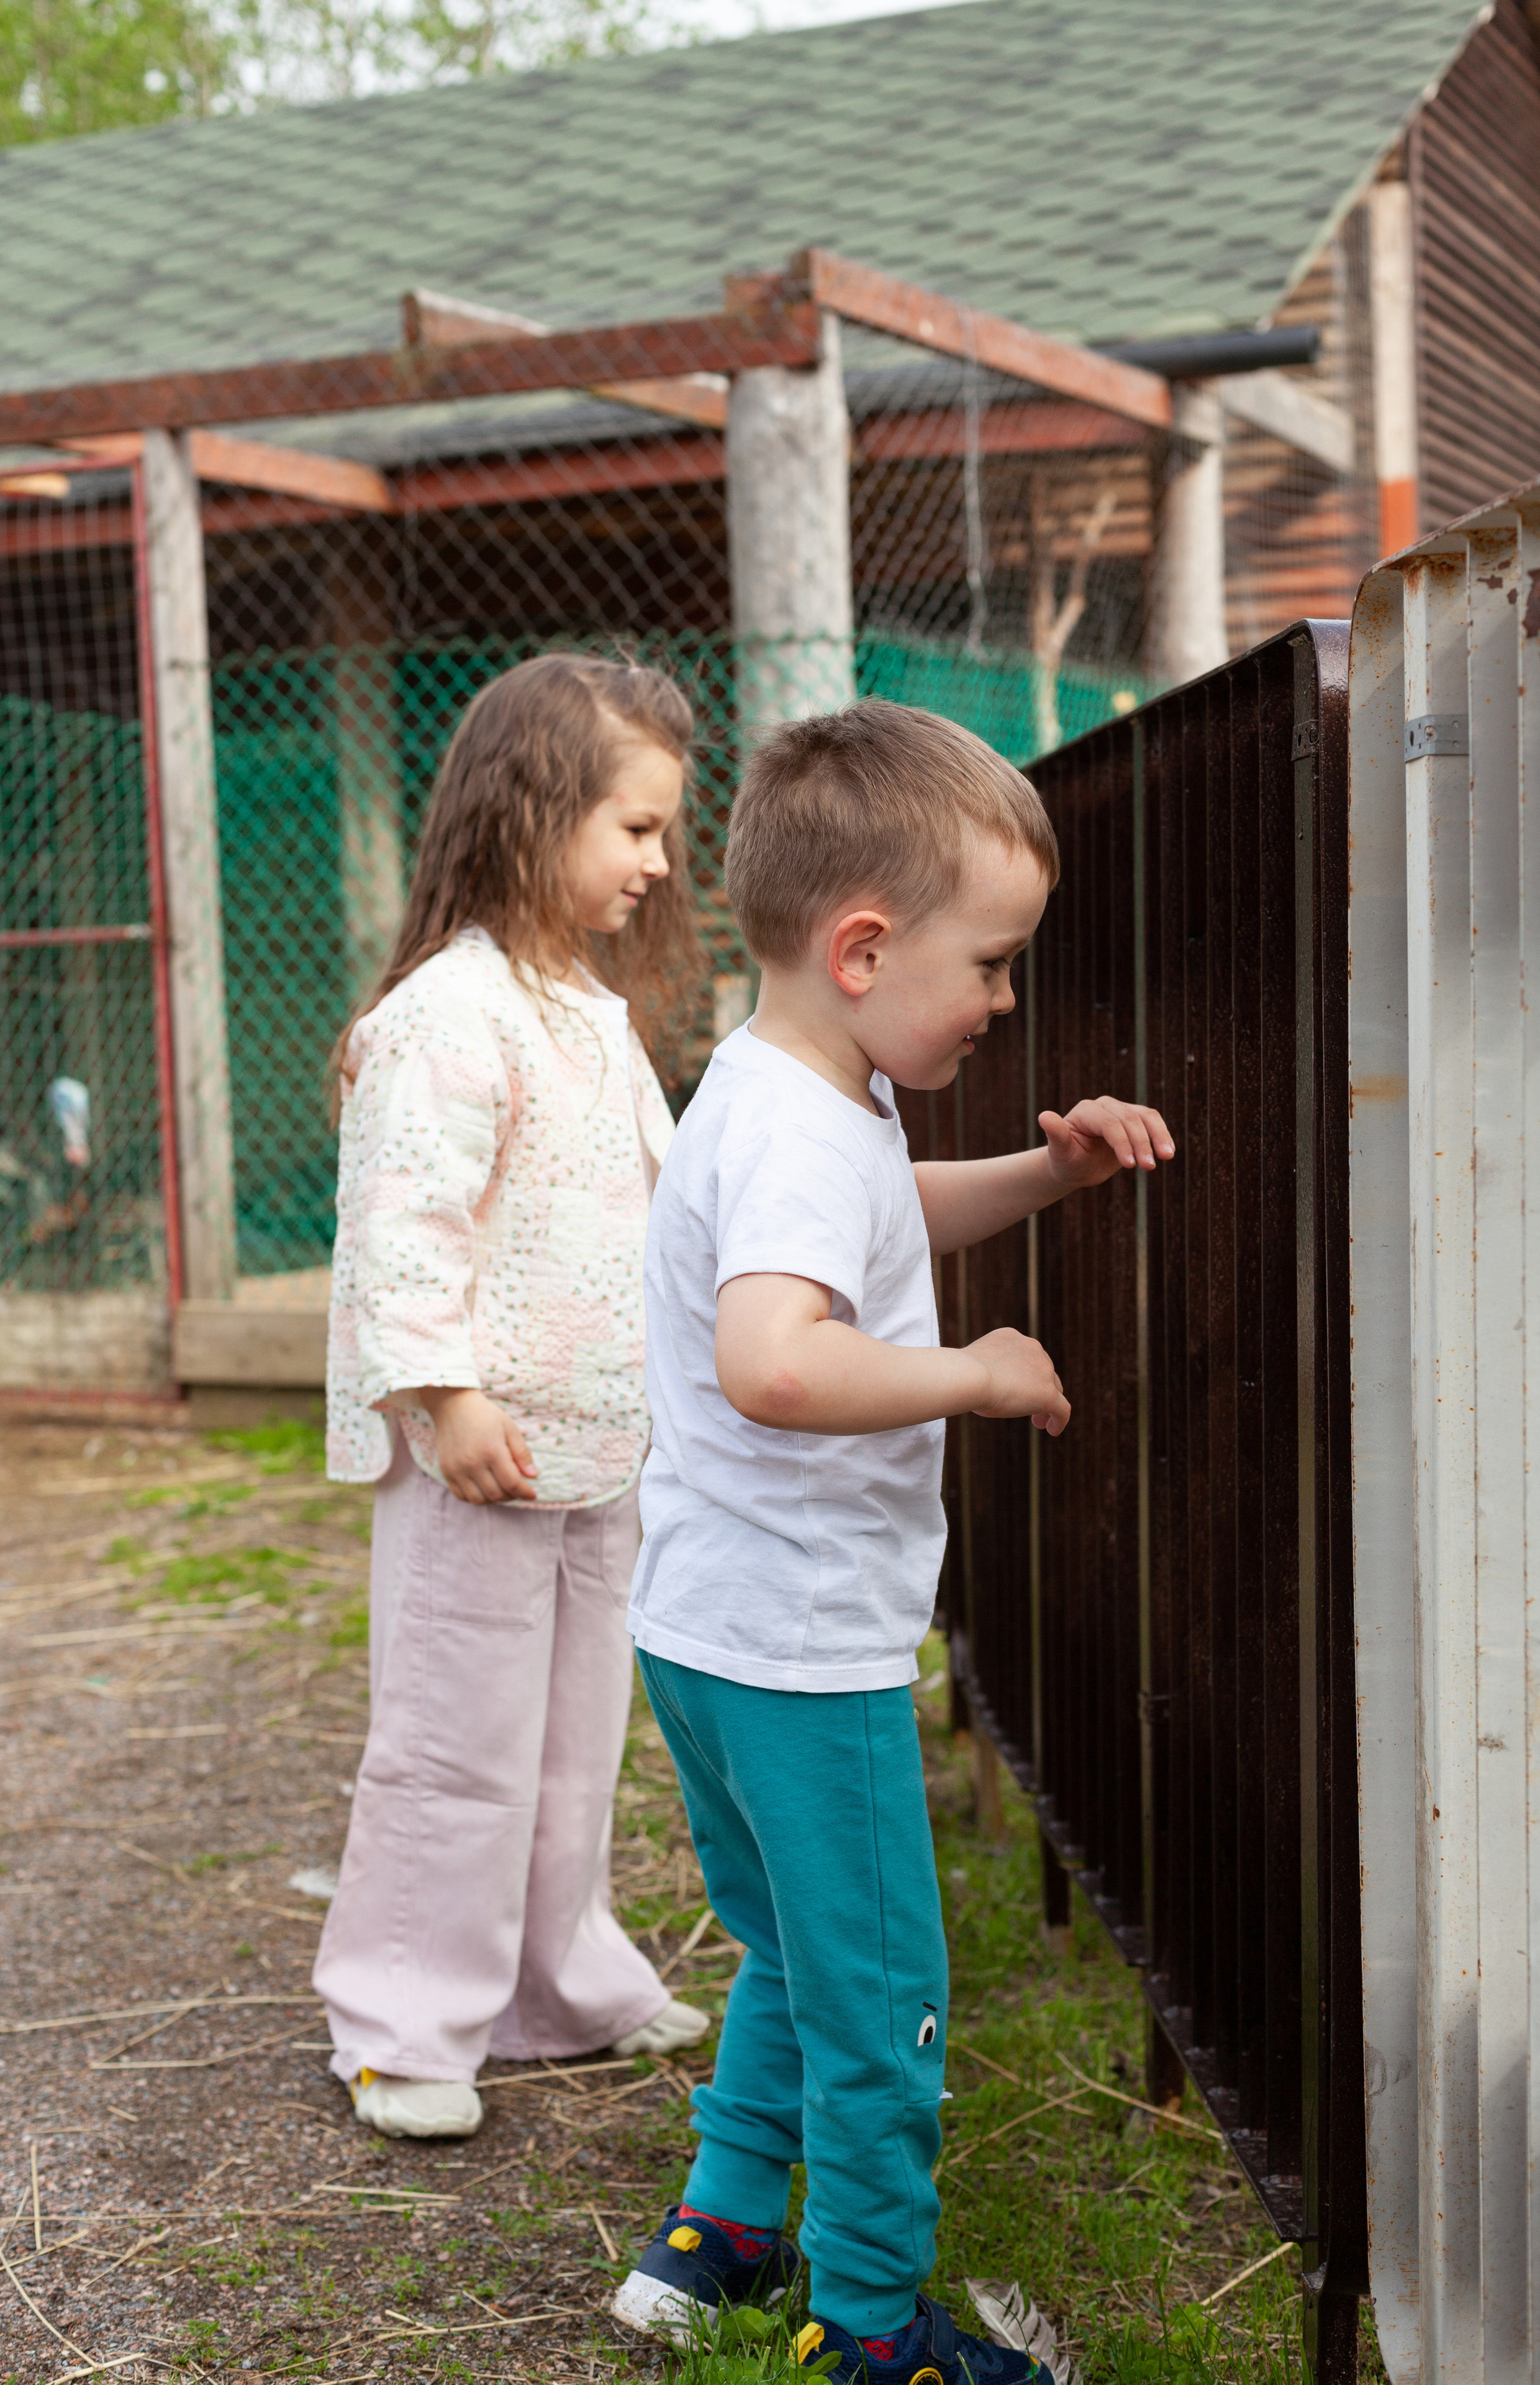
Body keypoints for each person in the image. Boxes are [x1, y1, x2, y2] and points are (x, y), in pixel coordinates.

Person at [611, 702, 1174, 2383]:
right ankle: (872, 2332)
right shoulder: (798, 1121)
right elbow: (776, 1356)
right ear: (865, 948)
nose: (1004, 999)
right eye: (992, 962)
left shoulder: (784, 1088)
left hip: (709, 1630)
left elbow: (880, 1210)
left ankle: (713, 2244)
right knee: (886, 2006)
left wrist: (1044, 1176)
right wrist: (977, 1370)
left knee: (790, 1951)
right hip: (801, 1651)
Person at [315, 652, 713, 2141]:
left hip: (595, 1451)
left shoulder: (584, 1011)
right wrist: (447, 1392)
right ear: (530, 810)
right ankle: (400, 2019)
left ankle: (553, 1982)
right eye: (633, 828)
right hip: (478, 1453)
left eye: (664, 830)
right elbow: (401, 1220)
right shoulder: (449, 1015)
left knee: (568, 1743)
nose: (659, 862)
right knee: (452, 1743)